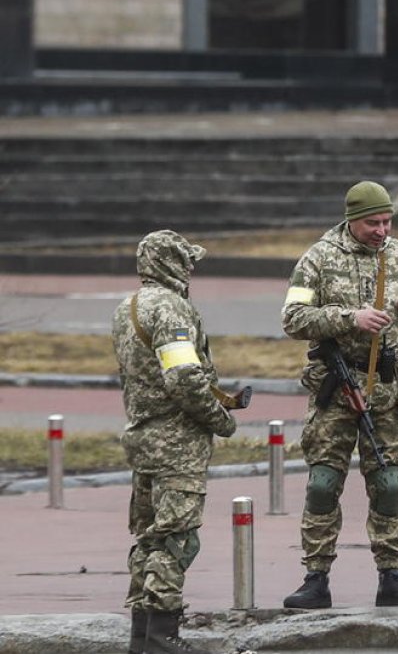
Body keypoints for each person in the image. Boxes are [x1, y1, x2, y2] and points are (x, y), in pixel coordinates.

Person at [281, 180, 398, 609]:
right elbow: (293, 317)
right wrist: (349, 318)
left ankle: (392, 576)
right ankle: (315, 578)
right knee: (323, 484)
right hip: (336, 389)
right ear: (351, 220)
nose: (382, 230)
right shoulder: (319, 259)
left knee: (388, 483)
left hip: (386, 391)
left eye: (386, 221)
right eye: (372, 223)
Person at [112, 230, 238, 654]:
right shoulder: (171, 309)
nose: (191, 270)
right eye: (186, 262)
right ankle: (163, 641)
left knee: (147, 537)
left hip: (142, 436)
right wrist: (219, 418)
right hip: (176, 442)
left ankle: (142, 638)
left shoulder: (128, 306)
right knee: (175, 538)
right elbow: (183, 378)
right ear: (170, 264)